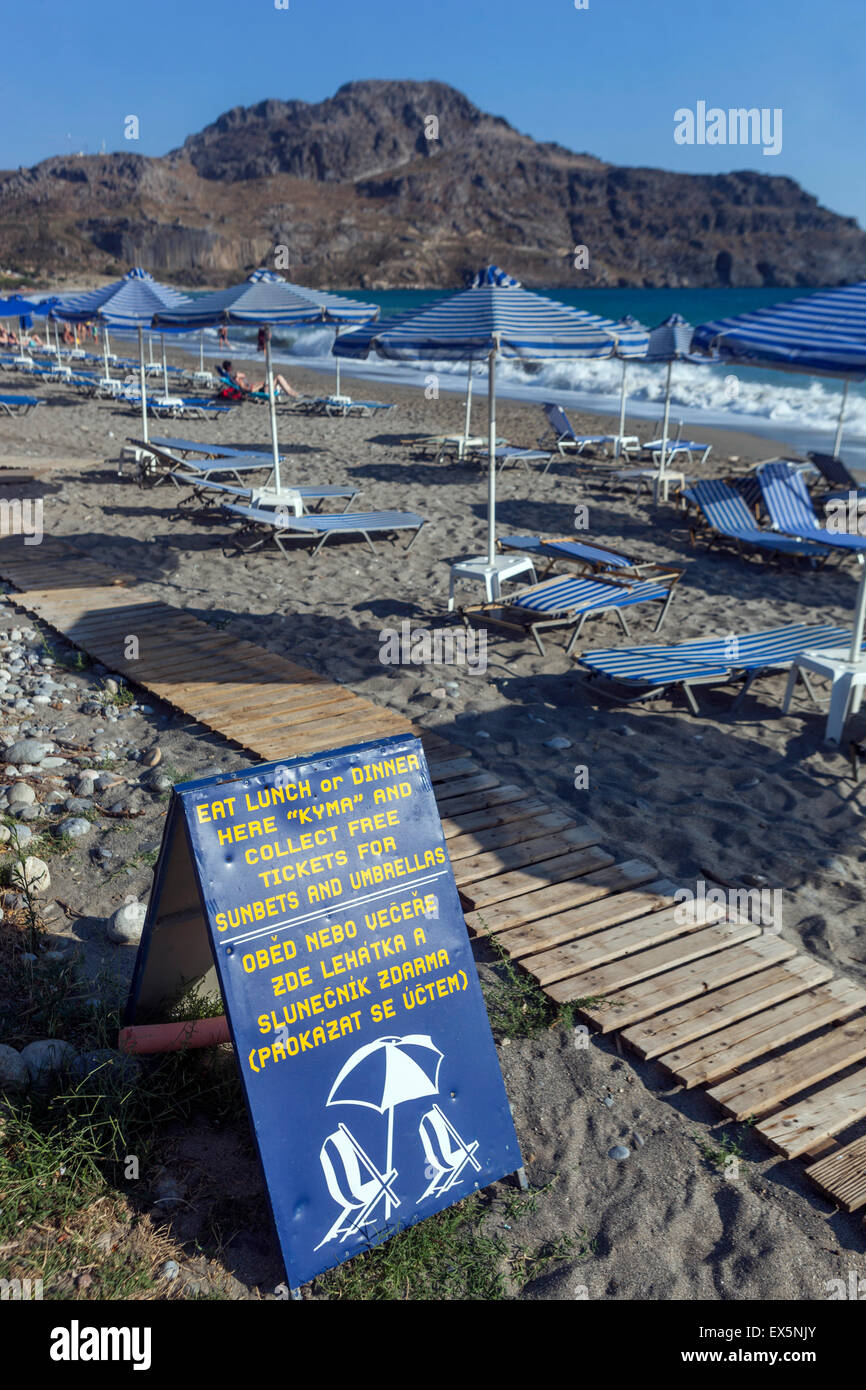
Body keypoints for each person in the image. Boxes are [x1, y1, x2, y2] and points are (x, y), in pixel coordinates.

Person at [218, 360, 300, 399]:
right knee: (278, 377)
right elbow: (251, 390)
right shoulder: (240, 382)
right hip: (263, 390)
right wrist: (262, 384)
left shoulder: (239, 380)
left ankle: (293, 393)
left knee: (279, 378)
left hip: (262, 388)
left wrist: (260, 384)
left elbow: (244, 376)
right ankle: (292, 393)